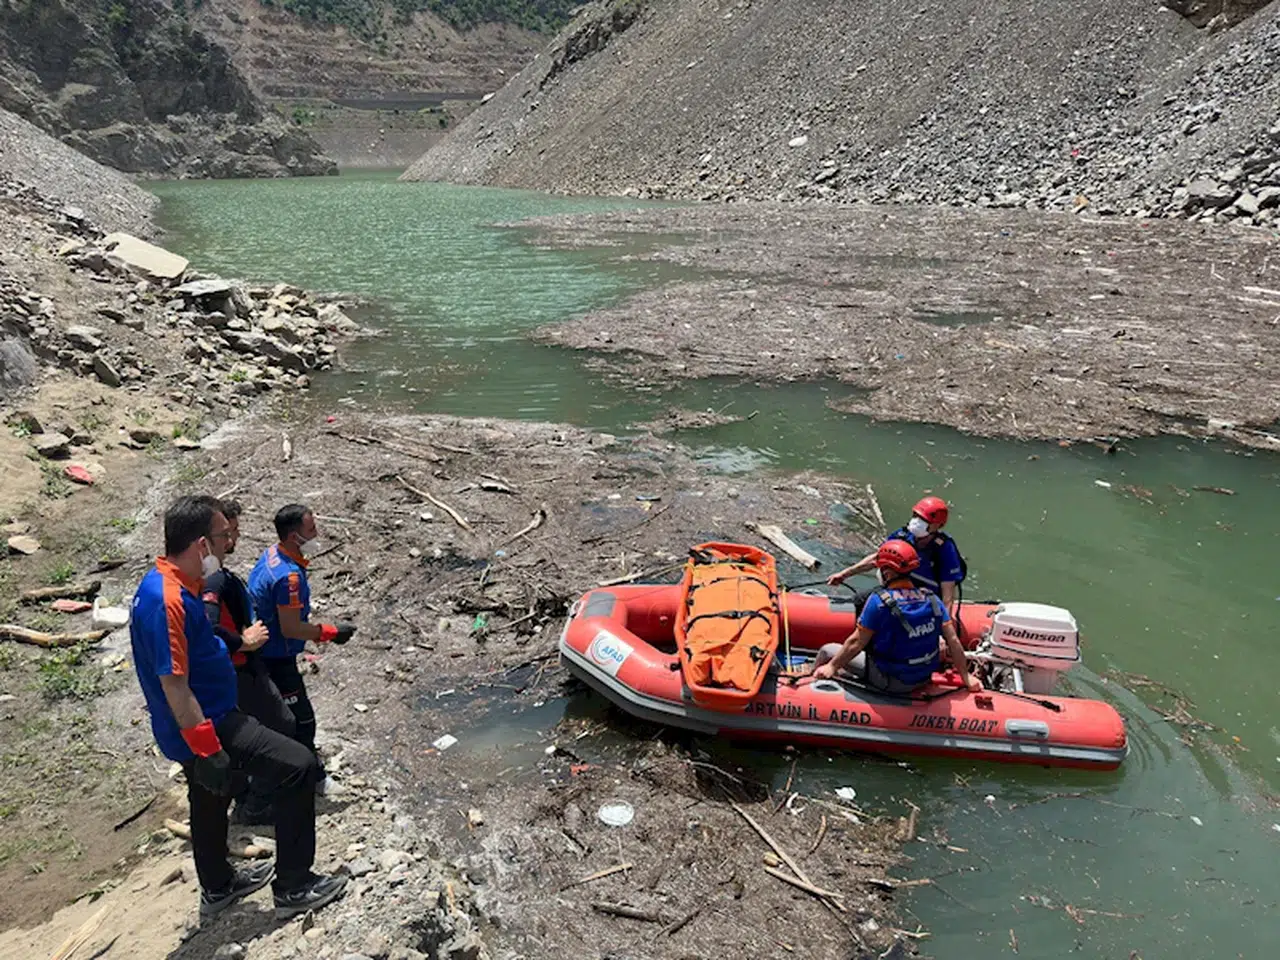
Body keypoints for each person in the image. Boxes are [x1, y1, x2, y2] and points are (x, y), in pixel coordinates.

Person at [129, 496, 347, 920]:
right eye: (223, 536)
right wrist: (208, 748)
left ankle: (218, 885)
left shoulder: (168, 584)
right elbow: (173, 683)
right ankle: (295, 885)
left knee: (211, 795)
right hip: (206, 721)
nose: (230, 541)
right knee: (298, 765)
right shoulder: (169, 599)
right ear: (200, 545)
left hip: (201, 717)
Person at [198, 497, 295, 824]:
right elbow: (209, 626)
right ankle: (255, 804)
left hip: (237, 666)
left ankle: (243, 791)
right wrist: (243, 641)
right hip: (239, 668)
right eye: (229, 533)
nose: (234, 539)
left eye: (234, 531)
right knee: (282, 724)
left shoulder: (210, 574)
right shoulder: (213, 580)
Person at [248, 503, 356, 791]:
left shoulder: (271, 555)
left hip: (262, 651)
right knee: (301, 720)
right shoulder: (289, 577)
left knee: (274, 716)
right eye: (311, 529)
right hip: (276, 656)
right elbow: (291, 627)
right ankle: (312, 779)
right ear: (294, 536)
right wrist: (329, 632)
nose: (317, 532)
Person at [810, 540, 982, 695]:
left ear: (888, 573)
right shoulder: (932, 599)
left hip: (890, 680)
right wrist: (966, 677)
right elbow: (953, 641)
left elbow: (856, 642)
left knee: (828, 650)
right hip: (923, 677)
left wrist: (832, 666)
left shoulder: (878, 602)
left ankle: (812, 687)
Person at [827, 495, 967, 611]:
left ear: (938, 525)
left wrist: (944, 628)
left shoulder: (944, 548)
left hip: (926, 598)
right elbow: (877, 558)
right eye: (916, 516)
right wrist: (844, 574)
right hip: (899, 588)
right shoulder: (903, 535)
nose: (917, 522)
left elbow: (948, 594)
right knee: (861, 600)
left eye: (924, 520)